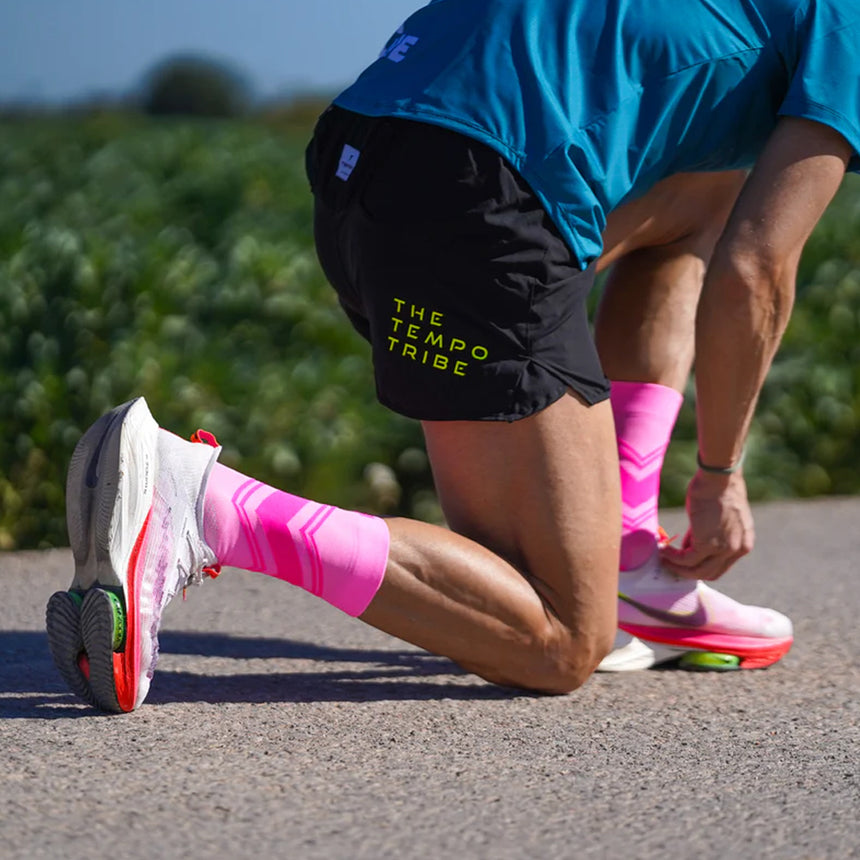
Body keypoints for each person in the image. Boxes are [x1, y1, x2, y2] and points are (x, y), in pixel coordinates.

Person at [47, 0, 858, 711]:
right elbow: (756, 269)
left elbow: (697, 209)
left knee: (698, 208)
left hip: (360, 156)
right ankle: (210, 507)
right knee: (557, 641)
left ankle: (625, 551)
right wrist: (719, 474)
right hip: (474, 197)